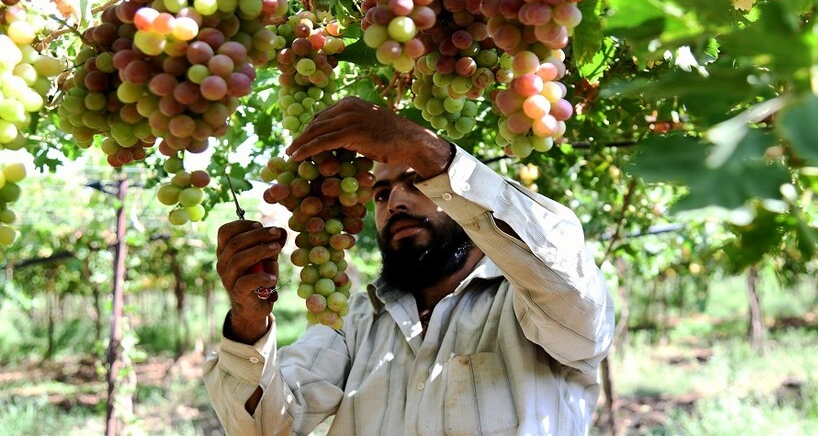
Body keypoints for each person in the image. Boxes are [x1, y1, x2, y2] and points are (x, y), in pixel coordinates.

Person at [203, 97, 615, 436]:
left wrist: (429, 151)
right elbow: (263, 427)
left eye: (418, 181)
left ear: (451, 188)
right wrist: (248, 321)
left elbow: (575, 294)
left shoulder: (530, 304)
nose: (395, 202)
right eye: (380, 195)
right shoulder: (357, 322)